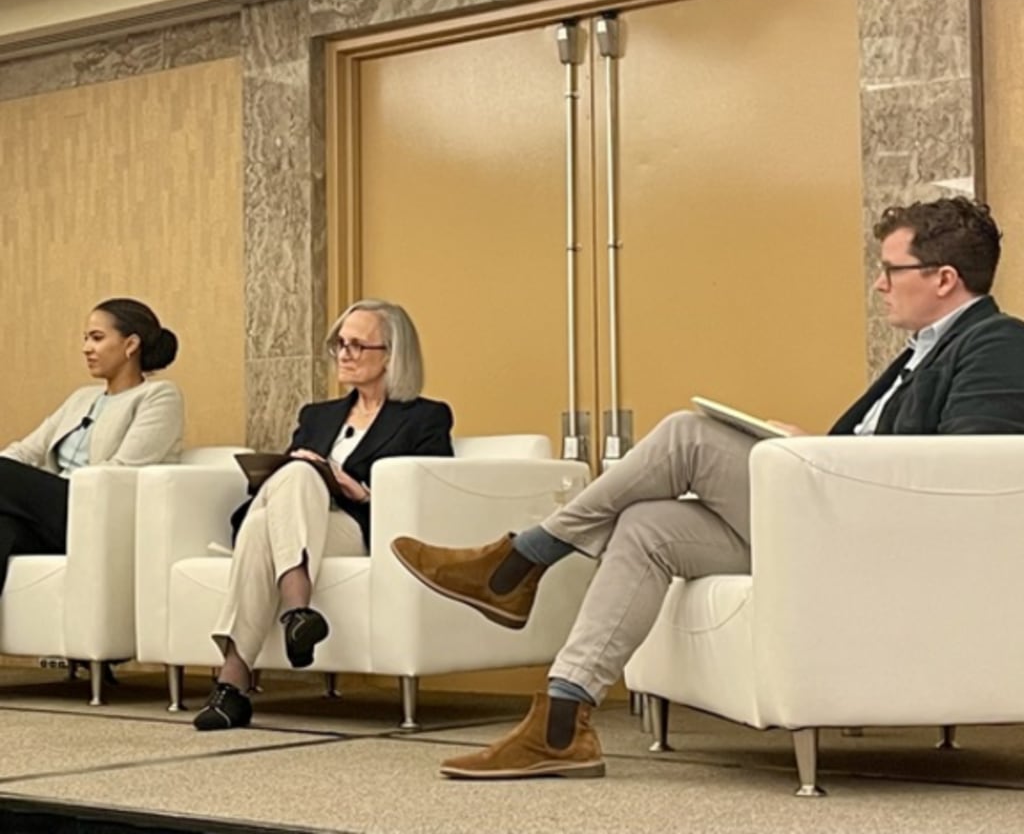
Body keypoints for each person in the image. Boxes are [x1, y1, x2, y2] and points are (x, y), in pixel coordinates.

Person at [391, 196, 1024, 779]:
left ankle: (521, 560)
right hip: (836, 523)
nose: (879, 283)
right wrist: (811, 445)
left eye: (890, 269)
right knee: (648, 527)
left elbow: (964, 474)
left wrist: (819, 456)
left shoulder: (997, 343)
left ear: (944, 278)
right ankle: (563, 719)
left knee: (686, 436)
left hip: (879, 539)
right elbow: (895, 454)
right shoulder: (921, 350)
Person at [194, 298, 454, 731]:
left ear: (393, 354)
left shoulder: (425, 417)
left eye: (358, 345)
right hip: (297, 523)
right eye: (339, 344)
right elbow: (280, 490)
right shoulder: (318, 415)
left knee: (270, 516)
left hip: (358, 528)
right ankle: (297, 615)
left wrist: (361, 491)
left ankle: (233, 685)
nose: (344, 354)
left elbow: (430, 495)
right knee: (282, 492)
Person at [0, 298, 183, 593]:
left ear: (131, 345)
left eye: (97, 338)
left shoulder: (159, 396)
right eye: (86, 339)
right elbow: (26, 451)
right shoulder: (81, 398)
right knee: (3, 528)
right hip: (55, 515)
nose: (86, 348)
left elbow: (123, 469)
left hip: (100, 510)